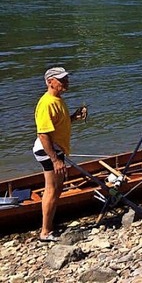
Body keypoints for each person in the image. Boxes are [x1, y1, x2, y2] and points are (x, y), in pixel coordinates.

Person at [33, 67, 88, 242]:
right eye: (61, 80)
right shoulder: (47, 103)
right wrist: (55, 160)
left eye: (66, 79)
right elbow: (43, 134)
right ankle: (45, 232)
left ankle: (49, 225)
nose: (66, 82)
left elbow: (58, 124)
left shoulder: (58, 100)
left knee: (57, 188)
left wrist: (74, 117)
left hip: (55, 149)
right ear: (50, 82)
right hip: (47, 151)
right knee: (51, 189)